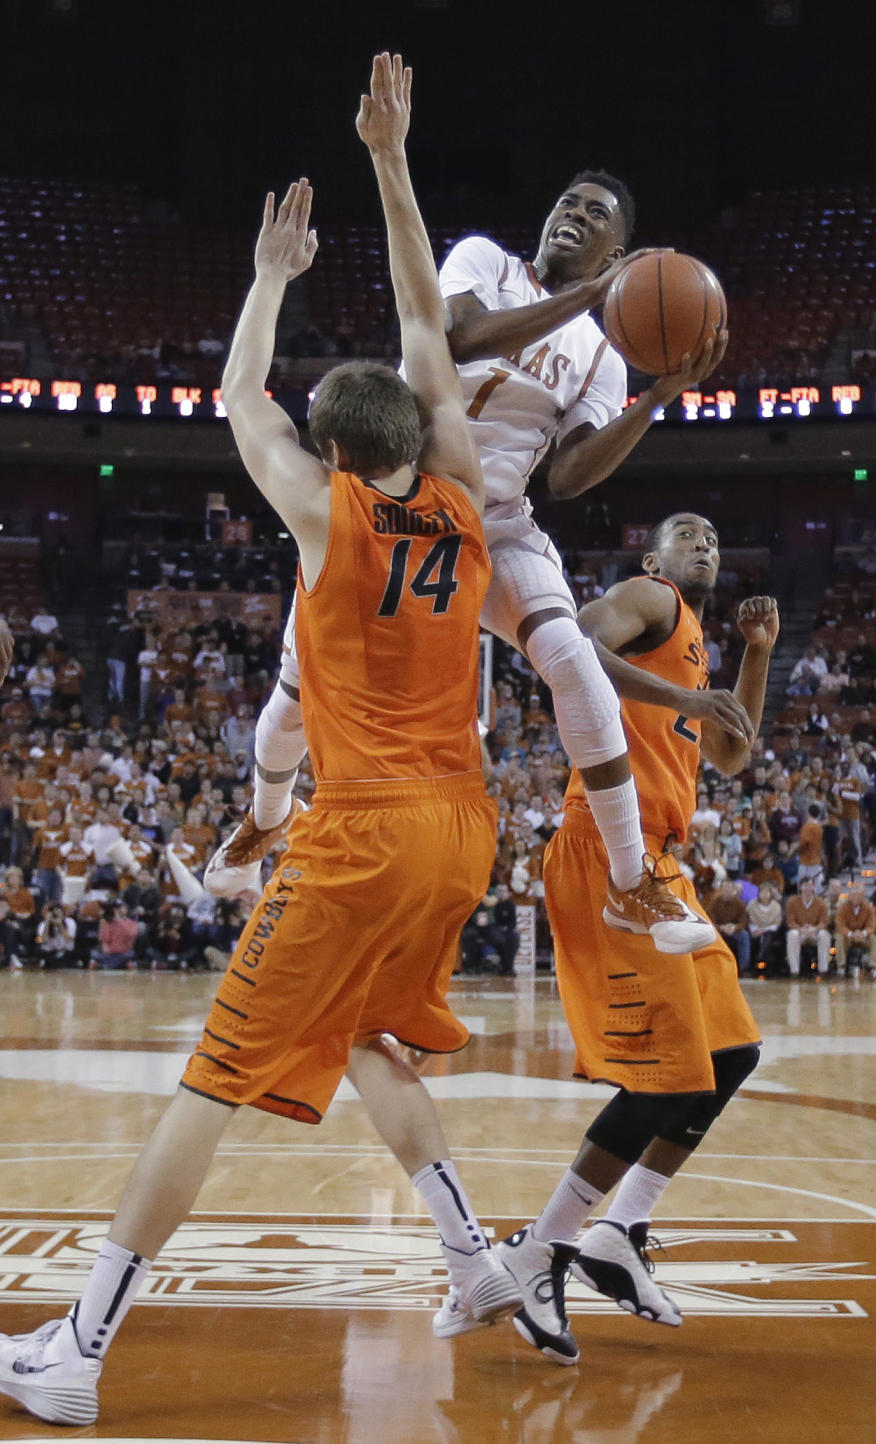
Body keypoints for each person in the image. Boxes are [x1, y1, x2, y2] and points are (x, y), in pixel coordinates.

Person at [0, 54, 521, 1427]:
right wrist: (394, 164)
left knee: (212, 1078)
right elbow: (424, 311)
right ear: (419, 431)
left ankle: (81, 1348)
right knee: (363, 1038)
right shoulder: (462, 493)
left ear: (334, 457)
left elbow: (241, 400)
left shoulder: (326, 516)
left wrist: (271, 281)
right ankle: (471, 1262)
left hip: (361, 835)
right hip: (464, 827)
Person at [205, 147, 726, 960]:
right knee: (297, 689)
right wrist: (592, 296)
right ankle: (265, 818)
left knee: (572, 656)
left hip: (498, 523)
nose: (573, 215)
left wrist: (655, 400)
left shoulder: (603, 355)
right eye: (568, 201)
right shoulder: (486, 258)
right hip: (401, 499)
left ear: (619, 253)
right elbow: (453, 334)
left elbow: (572, 474)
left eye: (596, 215)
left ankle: (632, 881)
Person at [488, 513, 777, 1365]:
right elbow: (570, 647)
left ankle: (622, 1228)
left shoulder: (693, 643)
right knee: (665, 1077)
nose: (707, 545)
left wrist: (756, 652)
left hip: (662, 862)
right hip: (607, 851)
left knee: (730, 1057)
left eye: (717, 540)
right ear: (655, 558)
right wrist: (686, 697)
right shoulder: (649, 599)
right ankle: (541, 1249)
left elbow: (731, 753)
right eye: (689, 535)